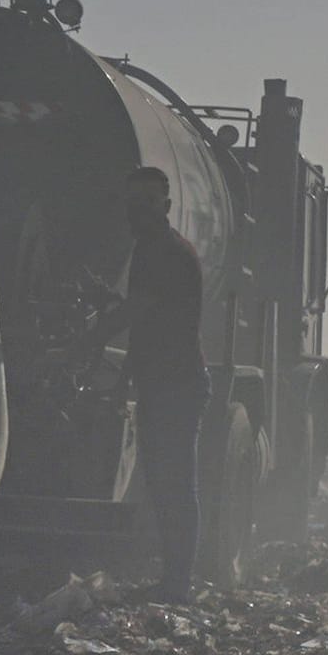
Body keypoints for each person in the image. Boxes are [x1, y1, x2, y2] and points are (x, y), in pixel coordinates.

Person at [91, 166, 211, 604]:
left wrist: (90, 337)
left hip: (176, 386)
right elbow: (145, 325)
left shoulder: (162, 251)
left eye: (146, 202)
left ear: (165, 207)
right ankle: (172, 581)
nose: (136, 210)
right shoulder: (152, 248)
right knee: (164, 484)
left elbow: (137, 313)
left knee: (175, 485)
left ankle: (177, 585)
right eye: (132, 201)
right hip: (162, 383)